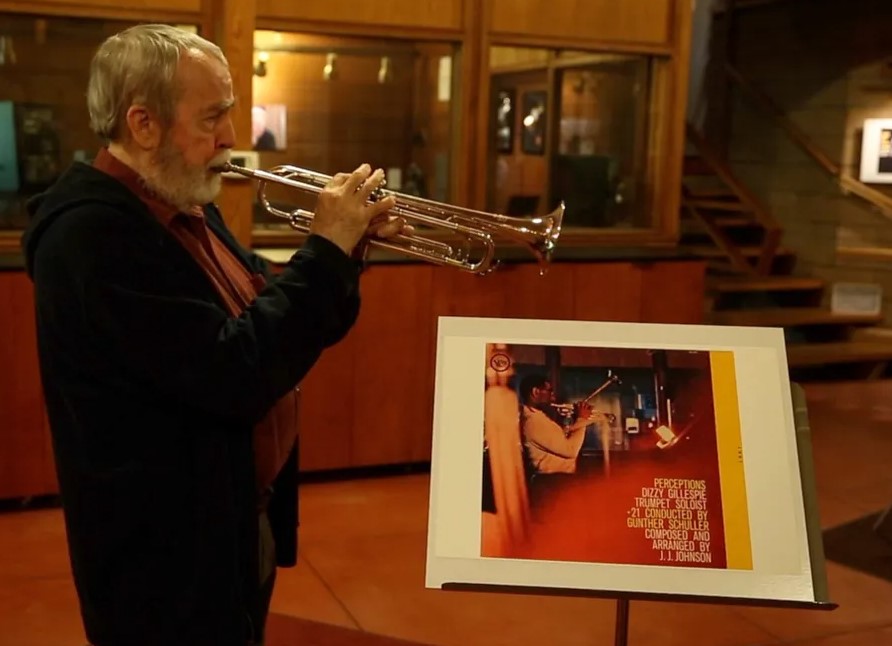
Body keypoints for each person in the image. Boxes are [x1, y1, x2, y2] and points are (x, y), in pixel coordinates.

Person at [21, 24, 406, 646]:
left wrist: (347, 253)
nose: (231, 137)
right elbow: (236, 372)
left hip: (228, 523)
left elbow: (273, 315)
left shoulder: (183, 208)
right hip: (164, 563)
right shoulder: (93, 239)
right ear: (142, 124)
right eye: (212, 118)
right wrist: (326, 253)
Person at [519, 374, 592, 475]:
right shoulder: (534, 422)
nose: (553, 396)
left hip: (556, 479)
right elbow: (571, 450)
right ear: (535, 392)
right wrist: (582, 419)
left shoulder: (538, 418)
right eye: (549, 391)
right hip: (553, 481)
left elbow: (561, 442)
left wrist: (574, 422)